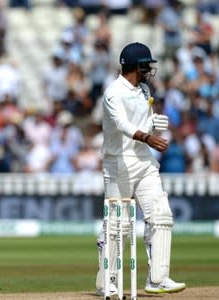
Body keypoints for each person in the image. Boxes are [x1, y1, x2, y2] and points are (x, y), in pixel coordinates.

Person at [95, 42, 186, 296]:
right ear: (136, 66)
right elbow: (122, 124)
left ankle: (158, 278)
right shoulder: (113, 92)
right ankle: (107, 281)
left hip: (144, 161)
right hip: (118, 163)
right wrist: (147, 137)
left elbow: (139, 120)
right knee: (117, 225)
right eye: (147, 65)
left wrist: (152, 124)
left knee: (161, 215)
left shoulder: (143, 89)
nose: (150, 70)